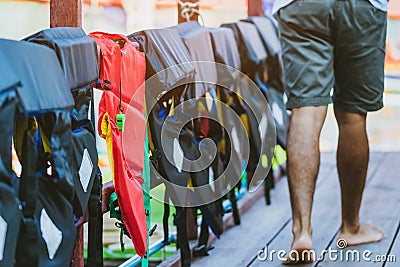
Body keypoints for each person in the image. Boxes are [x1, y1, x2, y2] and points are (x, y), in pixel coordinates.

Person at [273, 0, 388, 264]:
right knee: (353, 116)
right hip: (363, 6)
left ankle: (301, 231)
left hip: (301, 6)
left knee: (305, 112)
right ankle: (351, 226)